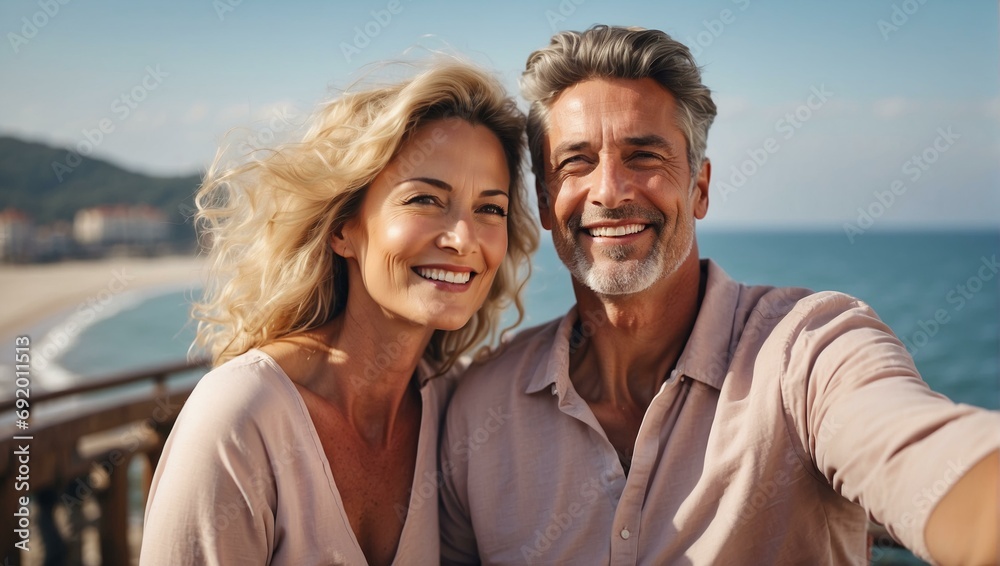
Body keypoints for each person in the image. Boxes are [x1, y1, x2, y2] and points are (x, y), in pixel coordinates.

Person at [439, 25, 999, 565]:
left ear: (699, 187)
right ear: (543, 202)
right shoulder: (479, 409)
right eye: (576, 162)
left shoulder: (809, 353)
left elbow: (929, 460)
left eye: (645, 156)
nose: (609, 190)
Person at [140, 60, 537, 565]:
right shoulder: (240, 417)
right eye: (425, 199)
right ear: (342, 228)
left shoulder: (456, 413)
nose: (463, 239)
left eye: (490, 209)